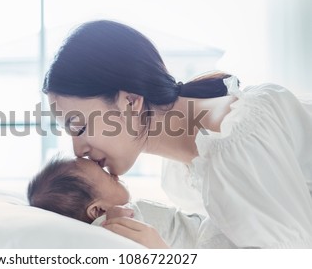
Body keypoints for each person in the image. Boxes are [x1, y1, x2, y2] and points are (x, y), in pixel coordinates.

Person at [42, 20, 312, 248]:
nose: (77, 150)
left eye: (79, 127)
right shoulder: (180, 170)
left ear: (130, 101)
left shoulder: (234, 138)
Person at [27, 156, 235, 248]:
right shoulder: (113, 221)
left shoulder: (113, 216)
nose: (114, 175)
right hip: (209, 242)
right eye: (106, 176)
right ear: (98, 209)